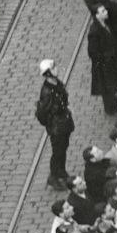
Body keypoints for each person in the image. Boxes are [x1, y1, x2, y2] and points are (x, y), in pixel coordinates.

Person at [33, 59, 75, 190]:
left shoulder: (56, 83)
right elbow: (42, 113)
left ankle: (61, 171)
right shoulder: (47, 91)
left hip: (64, 122)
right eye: (53, 68)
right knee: (57, 151)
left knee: (63, 148)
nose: (56, 69)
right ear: (48, 73)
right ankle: (54, 176)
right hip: (57, 126)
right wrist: (50, 124)